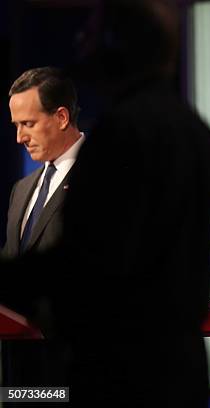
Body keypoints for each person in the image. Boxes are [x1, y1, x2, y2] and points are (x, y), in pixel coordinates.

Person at [0, 0, 210, 406]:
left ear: (116, 46)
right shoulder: (200, 135)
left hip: (122, 374)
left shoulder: (124, 133)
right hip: (178, 372)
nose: (82, 46)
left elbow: (90, 263)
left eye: (90, 35)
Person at [2, 66, 84, 390]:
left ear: (61, 117)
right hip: (19, 369)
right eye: (16, 125)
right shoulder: (21, 189)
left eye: (28, 124)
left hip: (75, 368)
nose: (19, 137)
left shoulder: (106, 178)